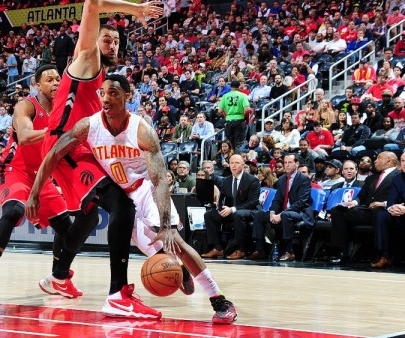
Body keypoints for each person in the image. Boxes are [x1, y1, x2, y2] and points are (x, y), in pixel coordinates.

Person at [28, 74, 237, 324]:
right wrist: (35, 193)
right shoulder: (89, 126)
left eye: (113, 93)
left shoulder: (142, 130)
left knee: (175, 243)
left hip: (144, 189)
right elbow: (53, 153)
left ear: (128, 96)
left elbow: (159, 180)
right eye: (103, 93)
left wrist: (167, 224)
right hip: (121, 197)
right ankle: (177, 270)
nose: (106, 98)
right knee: (149, 249)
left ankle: (219, 300)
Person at [27, 0, 165, 320]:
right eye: (106, 38)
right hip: (66, 149)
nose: (112, 43)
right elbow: (92, 3)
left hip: (83, 147)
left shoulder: (102, 77)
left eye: (116, 40)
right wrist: (138, 10)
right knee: (122, 205)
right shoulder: (86, 59)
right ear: (92, 40)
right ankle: (118, 295)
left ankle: (58, 276)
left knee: (89, 218)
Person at [0, 66, 80, 300]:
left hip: (41, 173)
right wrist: (57, 130)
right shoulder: (26, 105)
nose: (54, 83)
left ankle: (57, 278)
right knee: (13, 211)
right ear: (37, 84)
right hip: (14, 169)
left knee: (68, 230)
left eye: (58, 79)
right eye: (49, 79)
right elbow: (25, 137)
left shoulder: (64, 109)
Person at [328, 152, 399, 265]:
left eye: (379, 158)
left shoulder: (398, 176)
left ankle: (382, 254)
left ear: (389, 160)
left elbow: (399, 197)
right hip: (367, 211)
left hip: (386, 210)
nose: (375, 161)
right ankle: (342, 252)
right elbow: (362, 196)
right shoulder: (372, 177)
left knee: (378, 213)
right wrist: (354, 202)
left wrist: (383, 203)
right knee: (338, 211)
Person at [251, 154, 314, 261]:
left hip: (300, 212)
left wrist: (280, 214)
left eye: (290, 162)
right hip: (283, 212)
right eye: (285, 163)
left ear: (297, 164)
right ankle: (260, 250)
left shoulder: (304, 179)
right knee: (259, 215)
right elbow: (277, 200)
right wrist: (272, 213)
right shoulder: (281, 179)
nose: (287, 165)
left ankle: (289, 251)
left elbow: (301, 202)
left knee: (286, 215)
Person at [203, 154, 260, 260]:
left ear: (243, 165)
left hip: (250, 210)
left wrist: (233, 209)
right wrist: (220, 209)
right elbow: (222, 198)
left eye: (237, 163)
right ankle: (218, 248)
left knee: (238, 214)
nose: (234, 166)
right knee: (209, 215)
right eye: (232, 163)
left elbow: (253, 202)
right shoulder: (226, 181)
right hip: (231, 210)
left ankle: (241, 250)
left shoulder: (252, 180)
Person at [378, 153, 405, 268]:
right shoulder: (398, 178)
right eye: (403, 161)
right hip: (400, 213)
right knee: (382, 215)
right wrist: (392, 208)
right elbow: (391, 199)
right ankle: (386, 256)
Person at [219, 81, 251, 150]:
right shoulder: (242, 95)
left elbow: (220, 111)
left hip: (229, 121)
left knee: (230, 143)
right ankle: (237, 159)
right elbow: (247, 109)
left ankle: (230, 159)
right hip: (239, 120)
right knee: (239, 143)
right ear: (239, 87)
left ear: (231, 87)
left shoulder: (225, 96)